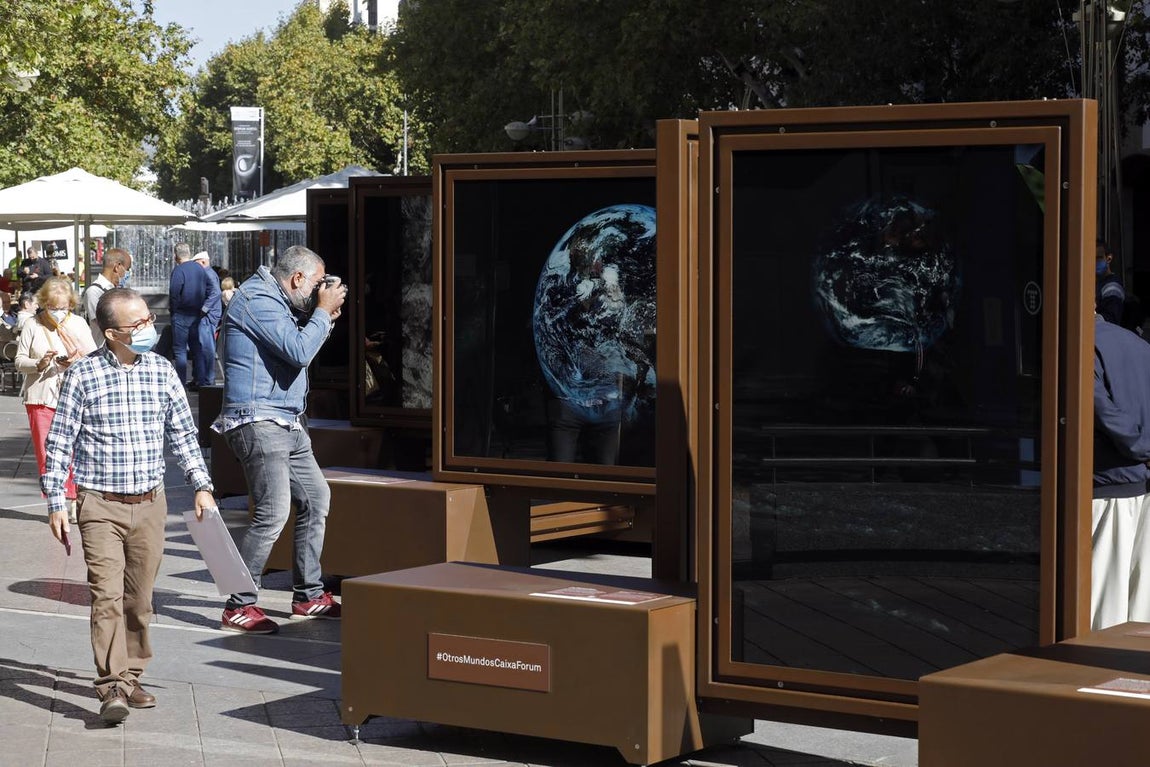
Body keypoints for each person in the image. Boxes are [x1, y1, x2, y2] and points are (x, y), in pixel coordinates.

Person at [42, 286, 216, 724]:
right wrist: (56, 501)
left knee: (139, 601)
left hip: (150, 503)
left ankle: (131, 674)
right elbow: (60, 441)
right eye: (136, 324)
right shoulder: (83, 376)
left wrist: (201, 484)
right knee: (106, 597)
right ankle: (111, 687)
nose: (148, 329)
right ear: (110, 333)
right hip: (100, 505)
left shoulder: (161, 371)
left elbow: (182, 433)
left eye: (148, 321)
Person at [213, 245, 347, 634]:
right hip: (257, 420)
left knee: (316, 499)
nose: (321, 290)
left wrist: (325, 317)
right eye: (318, 284)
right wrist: (321, 313)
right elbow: (299, 350)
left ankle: (308, 595)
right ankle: (238, 605)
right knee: (272, 513)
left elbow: (297, 346)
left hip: (285, 420)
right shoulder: (257, 300)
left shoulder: (278, 301)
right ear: (298, 278)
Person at [15, 277, 98, 522]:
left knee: (75, 449)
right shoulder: (33, 324)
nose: (59, 312)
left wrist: (75, 360)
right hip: (41, 395)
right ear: (44, 304)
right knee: (46, 452)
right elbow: (19, 360)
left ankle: (73, 500)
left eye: (63, 307)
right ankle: (56, 500)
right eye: (53, 307)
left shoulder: (79, 324)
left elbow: (94, 359)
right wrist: (38, 364)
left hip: (73, 395)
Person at [1091, 309, 1150, 630]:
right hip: (1141, 480)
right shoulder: (1138, 345)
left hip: (1109, 482)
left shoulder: (1082, 348)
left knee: (1105, 592)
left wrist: (1141, 447)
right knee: (1142, 594)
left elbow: (1100, 411)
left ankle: (1095, 669)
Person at [168, 242, 207, 388]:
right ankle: (201, 381)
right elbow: (206, 287)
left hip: (181, 314)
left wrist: (173, 310)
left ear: (176, 256)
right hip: (196, 314)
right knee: (197, 348)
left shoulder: (178, 271)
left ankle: (180, 384)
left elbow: (174, 293)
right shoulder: (199, 269)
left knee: (180, 350)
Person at [81, 247, 133, 345]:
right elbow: (105, 323)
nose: (128, 273)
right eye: (127, 269)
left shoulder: (116, 289)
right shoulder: (94, 292)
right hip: (103, 350)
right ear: (117, 267)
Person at [192, 251, 221, 386]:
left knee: (206, 348)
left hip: (208, 316)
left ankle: (208, 380)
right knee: (204, 347)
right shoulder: (209, 273)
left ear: (203, 262)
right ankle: (202, 378)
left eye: (196, 263)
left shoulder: (208, 274)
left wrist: (204, 309)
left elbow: (216, 293)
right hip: (210, 315)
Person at [1096, 238, 1125, 326]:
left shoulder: (1112, 287)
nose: (1094, 262)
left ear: (1108, 258)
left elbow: (1110, 319)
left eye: (1098, 258)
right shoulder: (1096, 282)